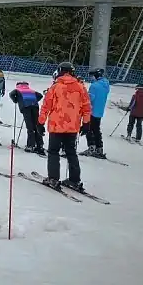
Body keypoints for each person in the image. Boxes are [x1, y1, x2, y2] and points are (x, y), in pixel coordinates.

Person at [38, 62, 92, 192]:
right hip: (72, 126)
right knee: (71, 152)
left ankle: (53, 178)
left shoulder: (55, 87)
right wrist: (86, 123)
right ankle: (74, 180)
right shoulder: (80, 87)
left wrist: (40, 123)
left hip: (57, 126)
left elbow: (46, 106)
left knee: (53, 152)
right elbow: (86, 107)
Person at [8, 81, 45, 154]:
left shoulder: (17, 90)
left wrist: (15, 100)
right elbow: (40, 95)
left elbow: (11, 94)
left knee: (30, 127)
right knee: (36, 126)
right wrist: (34, 100)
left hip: (26, 107)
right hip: (35, 107)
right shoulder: (31, 90)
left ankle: (30, 145)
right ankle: (39, 145)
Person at [83, 68, 110, 158]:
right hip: (100, 111)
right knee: (96, 130)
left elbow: (90, 98)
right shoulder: (106, 85)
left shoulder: (94, 86)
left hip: (92, 110)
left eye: (92, 76)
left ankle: (91, 147)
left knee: (89, 129)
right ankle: (99, 148)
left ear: (96, 76)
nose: (91, 78)